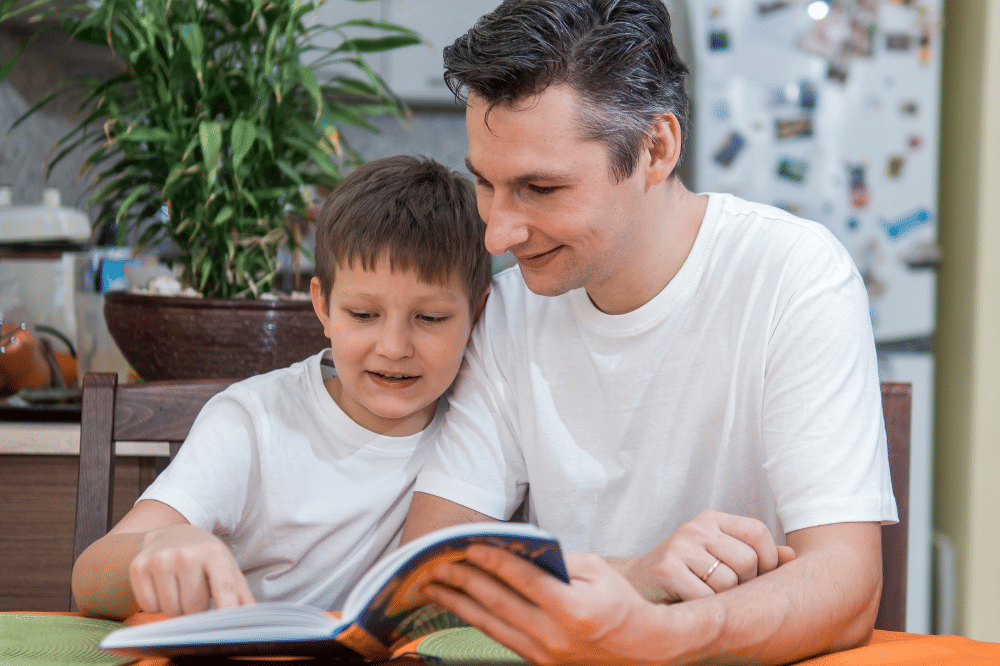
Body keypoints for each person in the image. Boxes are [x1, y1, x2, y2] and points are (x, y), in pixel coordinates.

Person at [398, 1, 897, 664]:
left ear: (656, 149)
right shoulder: (513, 310)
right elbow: (423, 576)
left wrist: (650, 638)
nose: (498, 233)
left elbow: (846, 585)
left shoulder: (793, 275)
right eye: (486, 184)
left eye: (540, 188)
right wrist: (636, 577)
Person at [71, 155, 492, 620]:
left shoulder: (480, 425)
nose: (394, 347)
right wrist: (157, 543)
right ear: (323, 306)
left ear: (477, 312)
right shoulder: (253, 422)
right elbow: (89, 579)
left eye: (430, 318)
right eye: (363, 315)